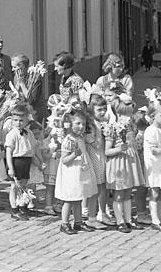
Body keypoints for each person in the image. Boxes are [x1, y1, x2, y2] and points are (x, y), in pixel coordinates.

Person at [104, 94, 145, 233]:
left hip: (129, 161)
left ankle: (128, 219)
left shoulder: (130, 126)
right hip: (119, 162)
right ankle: (119, 220)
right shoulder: (113, 128)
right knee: (119, 193)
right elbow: (107, 151)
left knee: (128, 192)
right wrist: (119, 149)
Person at [55, 110, 98, 235]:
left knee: (78, 198)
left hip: (80, 171)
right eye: (78, 124)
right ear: (70, 124)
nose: (81, 127)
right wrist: (74, 154)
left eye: (83, 124)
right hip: (71, 173)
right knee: (69, 199)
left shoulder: (80, 138)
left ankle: (78, 223)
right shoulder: (68, 140)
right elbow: (64, 160)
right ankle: (64, 223)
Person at [5, 105, 40, 221]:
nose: (18, 123)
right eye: (15, 120)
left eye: (21, 120)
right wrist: (10, 168)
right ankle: (14, 209)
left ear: (26, 120)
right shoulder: (12, 134)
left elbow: (32, 148)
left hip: (26, 161)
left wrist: (38, 161)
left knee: (24, 185)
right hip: (16, 161)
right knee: (15, 186)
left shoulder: (28, 133)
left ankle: (23, 206)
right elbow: (8, 152)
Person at [86, 95, 114, 228]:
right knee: (97, 187)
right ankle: (94, 215)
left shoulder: (102, 122)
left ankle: (102, 212)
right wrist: (103, 133)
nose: (102, 112)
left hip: (102, 156)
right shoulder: (92, 124)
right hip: (95, 157)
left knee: (103, 186)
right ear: (92, 110)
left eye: (104, 109)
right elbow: (94, 144)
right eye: (99, 110)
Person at [143, 101, 161, 231]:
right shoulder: (151, 130)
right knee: (155, 191)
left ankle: (159, 216)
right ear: (153, 115)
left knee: (160, 191)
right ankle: (154, 219)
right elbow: (154, 150)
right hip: (154, 165)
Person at [11, 53, 46, 121]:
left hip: (34, 114)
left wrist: (22, 84)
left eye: (15, 67)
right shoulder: (16, 76)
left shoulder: (35, 78)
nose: (12, 69)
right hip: (22, 114)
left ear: (23, 67)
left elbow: (31, 100)